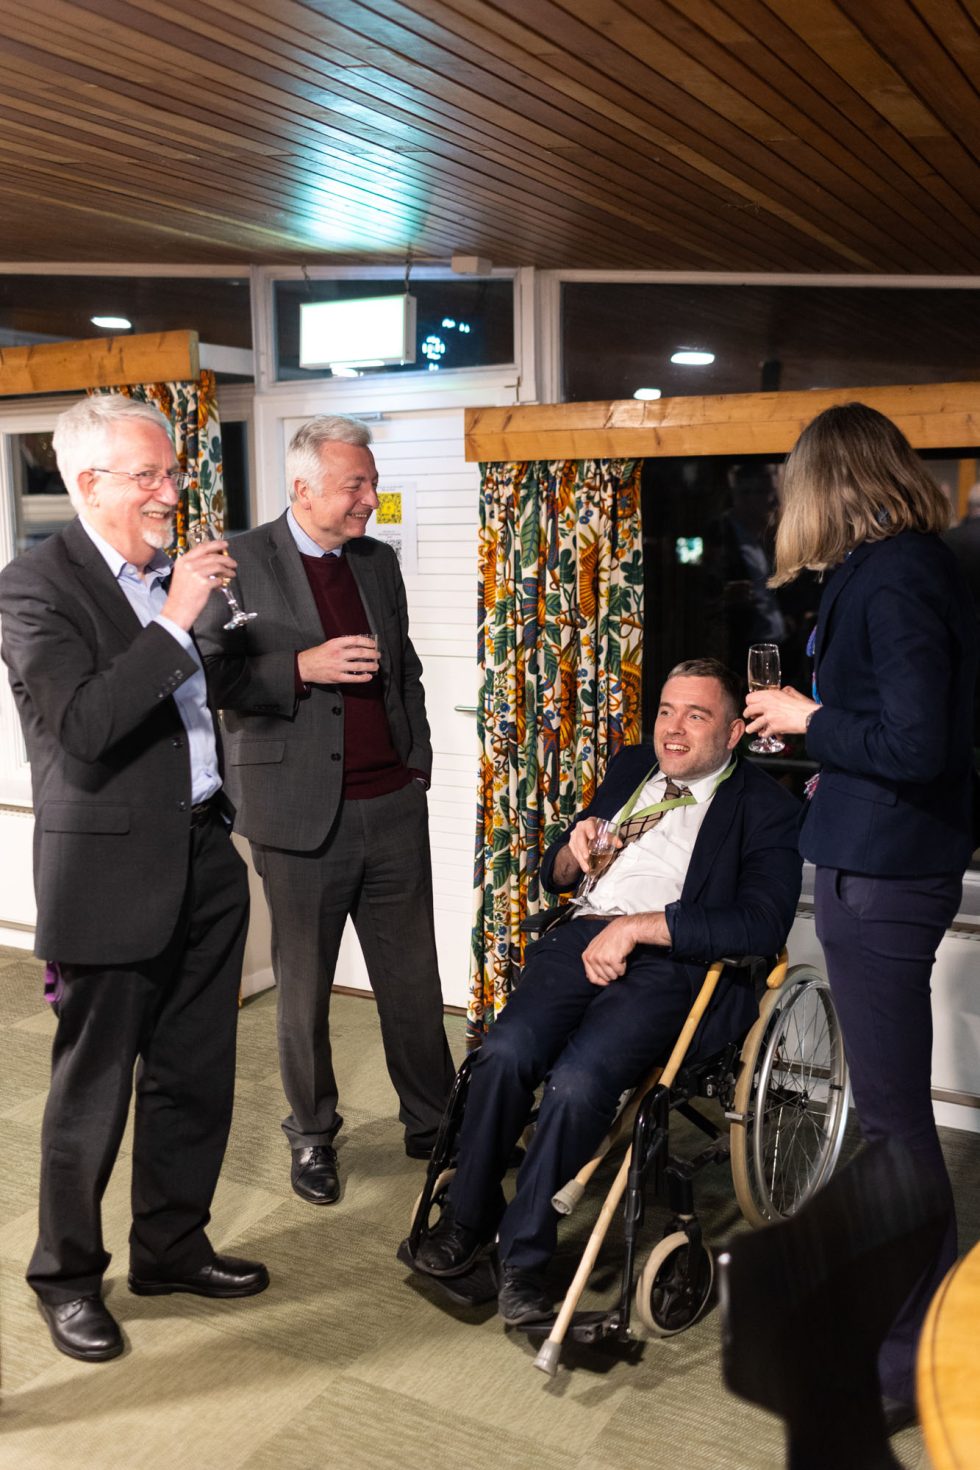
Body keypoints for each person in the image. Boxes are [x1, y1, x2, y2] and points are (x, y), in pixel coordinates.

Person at [413, 659, 802, 1324]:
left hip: (675, 963)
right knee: (503, 1052)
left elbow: (761, 924)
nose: (673, 729)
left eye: (696, 716)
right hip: (581, 936)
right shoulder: (631, 767)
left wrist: (638, 928)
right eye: (666, 712)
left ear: (735, 732)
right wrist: (575, 853)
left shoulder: (767, 808)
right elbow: (558, 874)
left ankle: (522, 1256)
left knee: (579, 1081)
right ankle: (467, 1217)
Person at [0, 396, 266, 1365]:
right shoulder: (34, 587)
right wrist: (177, 617)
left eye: (171, 472)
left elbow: (212, 695)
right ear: (88, 484)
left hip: (205, 855)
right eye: (149, 475)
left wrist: (216, 625)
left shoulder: (168, 575)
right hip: (107, 874)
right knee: (93, 1091)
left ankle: (170, 1248)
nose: (170, 491)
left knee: (195, 1077)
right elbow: (84, 727)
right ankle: (67, 1279)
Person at [744, 402, 977, 1431]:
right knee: (889, 1119)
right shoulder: (893, 569)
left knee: (891, 1127)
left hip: (884, 876)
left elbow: (920, 743)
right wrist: (827, 764)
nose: (783, 500)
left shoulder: (897, 575)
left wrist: (811, 720)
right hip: (874, 852)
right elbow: (899, 730)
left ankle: (910, 1354)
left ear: (830, 482)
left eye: (793, 482)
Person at [196, 414, 454, 1207]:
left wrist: (416, 765)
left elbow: (404, 668)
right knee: (304, 990)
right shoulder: (235, 562)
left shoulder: (376, 561)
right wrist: (301, 666)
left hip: (392, 804)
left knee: (413, 981)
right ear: (303, 488)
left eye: (371, 483)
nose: (370, 499)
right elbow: (208, 676)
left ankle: (434, 1122)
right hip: (297, 815)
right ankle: (312, 1135)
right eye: (356, 485)